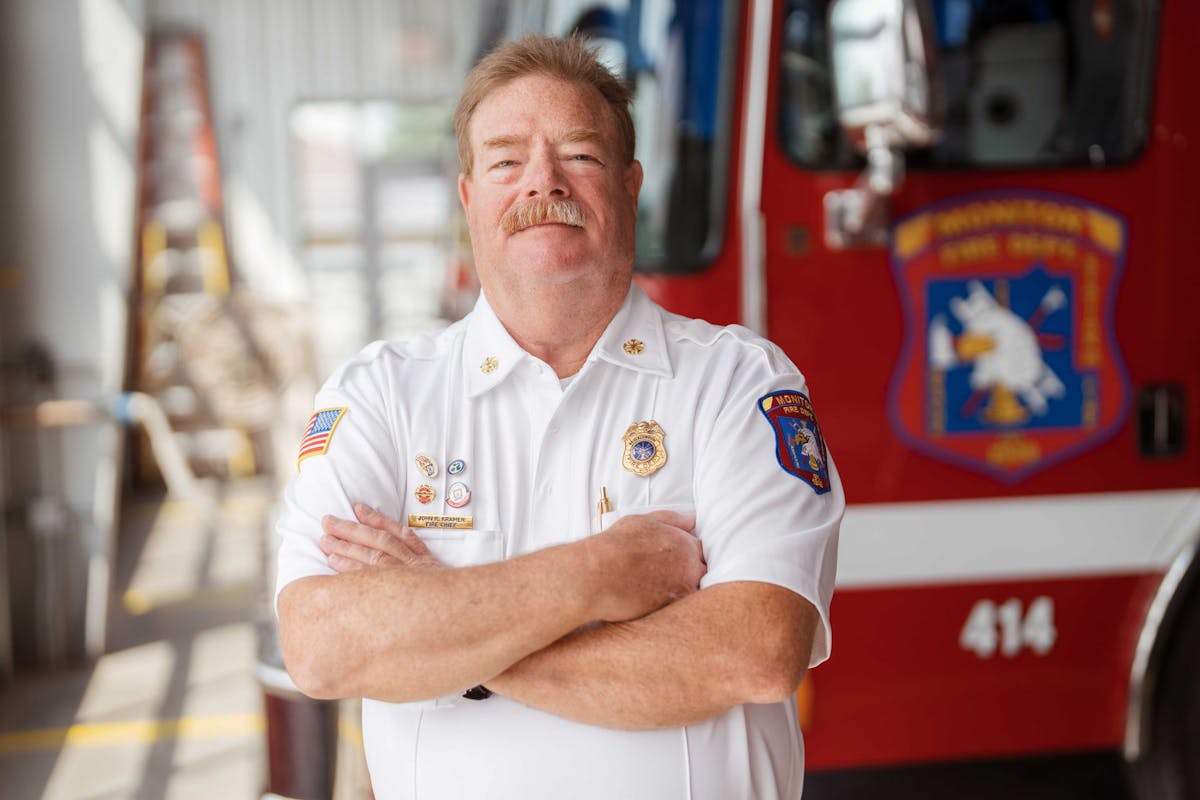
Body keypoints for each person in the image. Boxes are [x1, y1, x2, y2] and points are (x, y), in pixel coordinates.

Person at [275, 34, 842, 800]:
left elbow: (757, 653)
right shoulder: (380, 395)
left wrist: (447, 632)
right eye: (506, 161)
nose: (543, 180)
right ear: (469, 198)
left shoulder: (739, 383)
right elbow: (321, 647)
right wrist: (599, 572)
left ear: (630, 185)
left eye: (579, 154)